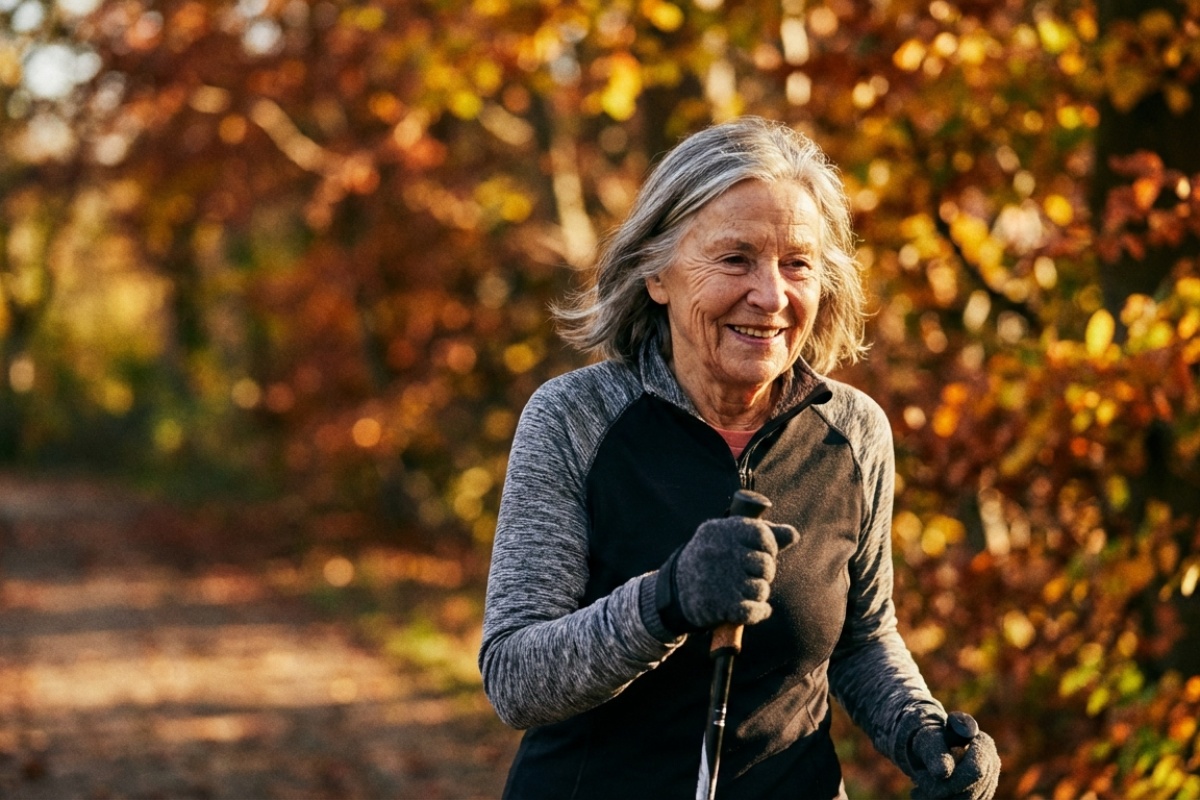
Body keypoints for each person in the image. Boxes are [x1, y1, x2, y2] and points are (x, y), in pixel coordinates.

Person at [478, 116, 1000, 799]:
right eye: (735, 259)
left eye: (797, 263)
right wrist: (667, 599)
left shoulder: (853, 432)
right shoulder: (575, 419)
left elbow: (863, 636)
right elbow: (515, 678)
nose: (772, 295)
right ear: (656, 274)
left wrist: (922, 734)